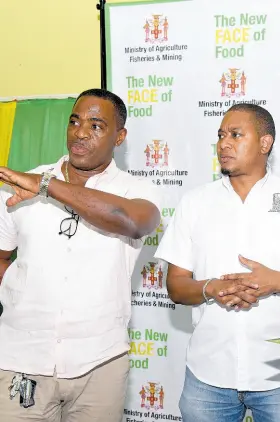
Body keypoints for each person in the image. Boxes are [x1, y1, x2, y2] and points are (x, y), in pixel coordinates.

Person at [155, 103, 280, 422]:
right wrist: (212, 288)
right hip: (208, 375)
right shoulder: (194, 204)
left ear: (265, 143)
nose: (224, 143)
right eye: (220, 135)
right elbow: (176, 286)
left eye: (235, 134)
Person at [0, 88, 161, 421]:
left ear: (120, 137)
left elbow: (129, 221)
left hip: (100, 363)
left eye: (96, 125)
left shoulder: (136, 191)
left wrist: (46, 185)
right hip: (21, 359)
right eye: (74, 122)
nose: (80, 133)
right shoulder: (19, 187)